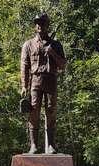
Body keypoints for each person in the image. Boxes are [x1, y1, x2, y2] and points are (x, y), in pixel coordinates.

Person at [21, 13, 66, 154]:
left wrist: (52, 52)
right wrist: (24, 85)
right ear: (35, 26)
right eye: (37, 23)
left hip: (51, 80)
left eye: (42, 22)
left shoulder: (56, 45)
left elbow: (63, 65)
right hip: (35, 80)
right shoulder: (28, 44)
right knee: (33, 111)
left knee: (51, 111)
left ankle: (51, 145)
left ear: (47, 25)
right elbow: (24, 65)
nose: (39, 25)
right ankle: (33, 145)